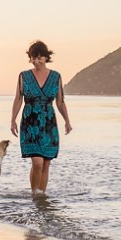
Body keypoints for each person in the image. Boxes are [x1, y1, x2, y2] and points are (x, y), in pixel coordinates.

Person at [10, 40, 72, 196]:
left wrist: (67, 121)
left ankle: (41, 196)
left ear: (46, 57)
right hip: (30, 122)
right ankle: (34, 194)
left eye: (39, 57)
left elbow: (60, 101)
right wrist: (13, 120)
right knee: (37, 162)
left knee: (46, 163)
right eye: (33, 58)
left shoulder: (56, 76)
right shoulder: (23, 76)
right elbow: (18, 99)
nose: (36, 61)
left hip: (49, 123)